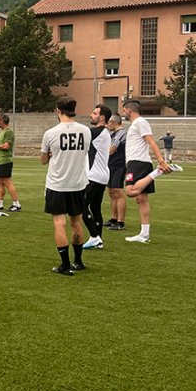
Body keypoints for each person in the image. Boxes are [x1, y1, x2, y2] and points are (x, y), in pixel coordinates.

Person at [40, 97, 91, 276]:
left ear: (58, 110)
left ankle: (65, 264)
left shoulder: (51, 133)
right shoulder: (86, 131)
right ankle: (78, 261)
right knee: (76, 222)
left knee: (59, 222)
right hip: (78, 183)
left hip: (58, 184)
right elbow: (83, 153)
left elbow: (43, 160)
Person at [121, 100, 182, 244]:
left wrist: (161, 161)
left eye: (124, 110)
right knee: (141, 199)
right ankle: (144, 234)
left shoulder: (140, 122)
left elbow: (151, 141)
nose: (123, 113)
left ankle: (158, 171)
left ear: (129, 110)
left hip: (138, 162)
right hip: (137, 162)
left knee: (130, 191)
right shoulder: (136, 124)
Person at [82, 105, 113, 249]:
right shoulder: (104, 132)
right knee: (95, 208)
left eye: (94, 113)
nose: (91, 115)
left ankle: (94, 237)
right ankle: (99, 240)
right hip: (102, 175)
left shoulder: (97, 131)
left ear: (102, 118)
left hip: (93, 176)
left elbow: (79, 133)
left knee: (81, 207)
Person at [0, 114, 21, 211]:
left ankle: (16, 204)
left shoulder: (9, 132)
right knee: (0, 182)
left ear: (2, 120)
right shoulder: (2, 132)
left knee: (7, 182)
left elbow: (6, 146)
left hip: (5, 161)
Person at [106, 115, 127, 231]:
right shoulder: (112, 134)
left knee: (118, 192)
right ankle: (113, 219)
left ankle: (120, 222)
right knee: (111, 192)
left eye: (109, 123)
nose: (107, 125)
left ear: (114, 122)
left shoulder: (121, 133)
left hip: (119, 166)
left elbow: (111, 150)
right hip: (111, 165)